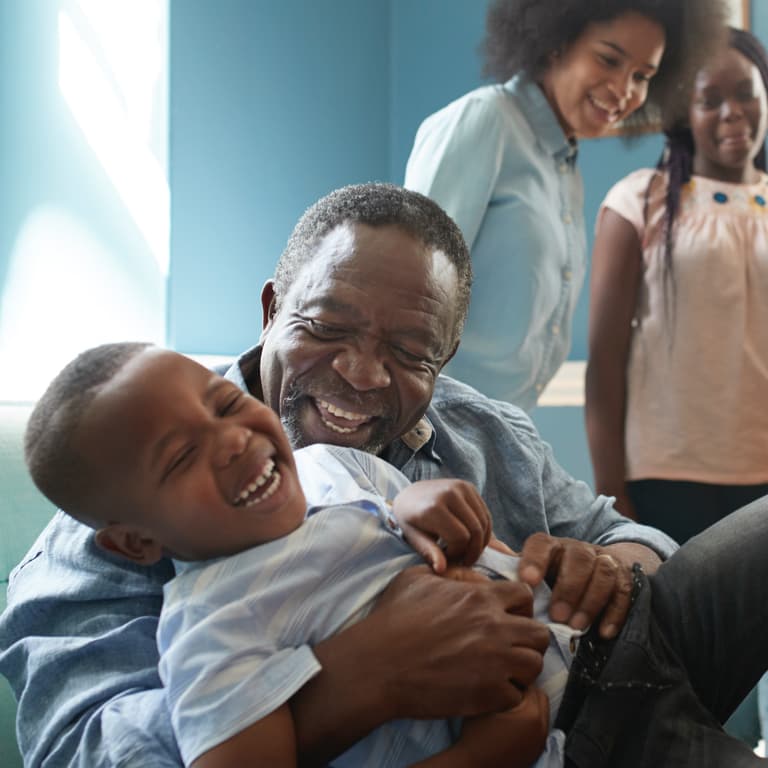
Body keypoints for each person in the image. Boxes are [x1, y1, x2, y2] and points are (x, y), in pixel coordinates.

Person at [0, 183, 676, 767]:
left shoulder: (481, 436)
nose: (361, 373)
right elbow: (87, 750)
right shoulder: (121, 517)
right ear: (271, 311)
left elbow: (629, 540)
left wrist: (612, 565)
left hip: (622, 698)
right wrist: (361, 677)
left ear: (444, 356)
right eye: (326, 326)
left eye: (412, 351)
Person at [24, 342, 768, 768]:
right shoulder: (212, 625)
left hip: (628, 633)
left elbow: (600, 530)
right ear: (134, 541)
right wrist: (470, 753)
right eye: (183, 455)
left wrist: (415, 504)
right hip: (584, 739)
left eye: (223, 406)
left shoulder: (326, 464)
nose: (234, 440)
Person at [585, 26, 768, 749]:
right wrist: (614, 499)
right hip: (666, 479)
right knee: (693, 688)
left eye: (746, 95)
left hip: (764, 480)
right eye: (709, 98)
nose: (731, 113)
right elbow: (602, 363)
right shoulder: (642, 199)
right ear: (681, 112)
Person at [404, 0, 727, 410]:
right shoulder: (486, 122)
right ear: (556, 41)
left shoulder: (566, 169)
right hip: (435, 426)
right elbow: (407, 292)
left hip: (501, 431)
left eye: (642, 76)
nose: (625, 90)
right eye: (609, 59)